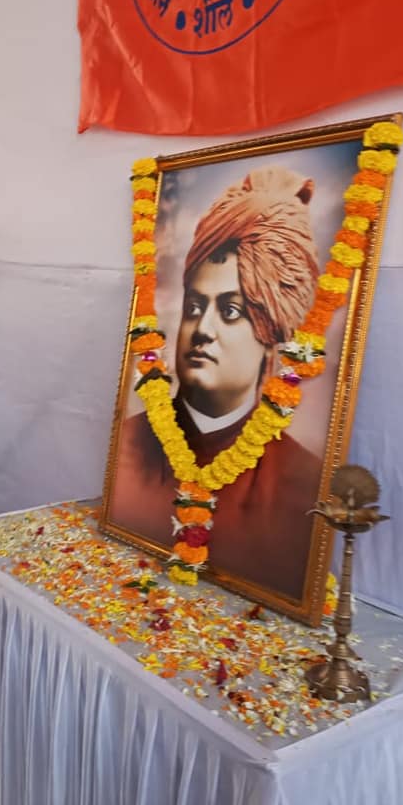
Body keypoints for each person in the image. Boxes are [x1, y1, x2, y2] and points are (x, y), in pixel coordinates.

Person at [109, 167, 322, 600]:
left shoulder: (305, 481)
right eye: (193, 306)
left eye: (230, 311)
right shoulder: (129, 443)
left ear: (270, 335)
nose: (201, 329)